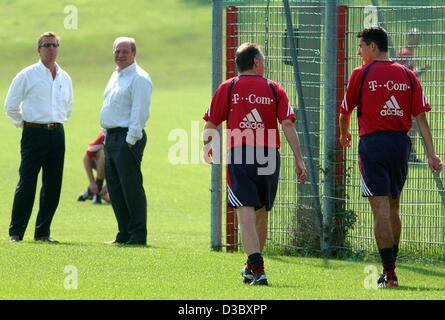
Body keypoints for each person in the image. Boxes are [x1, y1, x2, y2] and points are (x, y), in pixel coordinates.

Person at [339, 27, 442, 287]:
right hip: (400, 145)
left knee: (380, 210)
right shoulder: (407, 75)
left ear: (373, 47)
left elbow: (345, 110)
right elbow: (420, 117)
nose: (358, 52)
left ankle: (389, 272)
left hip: (372, 145)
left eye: (361, 47)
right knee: (394, 206)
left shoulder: (360, 74)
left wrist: (344, 134)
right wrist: (432, 153)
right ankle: (390, 269)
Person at [202, 43, 307, 286]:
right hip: (269, 155)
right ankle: (253, 267)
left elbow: (211, 124)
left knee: (245, 212)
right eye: (264, 60)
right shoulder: (274, 88)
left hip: (240, 154)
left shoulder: (228, 88)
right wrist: (299, 159)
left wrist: (209, 149)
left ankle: (257, 269)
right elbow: (288, 125)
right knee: (261, 213)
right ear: (257, 63)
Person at [4, 32, 74, 243]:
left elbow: (68, 106)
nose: (50, 49)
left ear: (58, 48)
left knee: (53, 185)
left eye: (54, 45)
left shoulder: (64, 77)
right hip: (33, 133)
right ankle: (16, 233)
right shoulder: (27, 75)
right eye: (46, 45)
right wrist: (24, 124)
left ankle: (43, 232)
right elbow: (10, 106)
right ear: (39, 49)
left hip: (57, 134)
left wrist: (56, 120)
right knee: (27, 182)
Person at [100, 37, 152, 246]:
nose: (120, 55)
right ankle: (124, 232)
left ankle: (138, 234)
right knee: (115, 187)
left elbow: (139, 111)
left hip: (127, 137)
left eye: (124, 51)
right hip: (111, 136)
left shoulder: (139, 78)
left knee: (131, 187)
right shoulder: (116, 75)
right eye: (117, 51)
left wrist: (130, 140)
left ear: (134, 54)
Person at [396, 27, 431, 163]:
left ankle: (410, 153)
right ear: (410, 37)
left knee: (412, 125)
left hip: (406, 94)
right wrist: (423, 69)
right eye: (417, 37)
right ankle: (409, 154)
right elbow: (409, 74)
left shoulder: (407, 52)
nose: (419, 40)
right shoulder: (406, 53)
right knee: (413, 125)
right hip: (406, 95)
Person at [77, 131, 110, 204]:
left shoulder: (125, 139)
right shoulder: (103, 137)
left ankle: (91, 192)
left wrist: (108, 186)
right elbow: (86, 157)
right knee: (102, 154)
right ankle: (97, 189)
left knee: (119, 201)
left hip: (116, 172)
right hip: (102, 164)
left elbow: (125, 170)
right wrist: (92, 182)